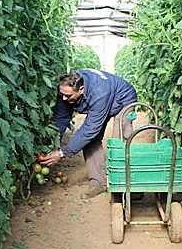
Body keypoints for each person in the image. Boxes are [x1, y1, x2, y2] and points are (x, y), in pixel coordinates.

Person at [38, 69, 137, 198]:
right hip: (101, 100)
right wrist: (52, 144)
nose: (63, 98)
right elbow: (61, 119)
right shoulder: (66, 88)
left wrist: (63, 152)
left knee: (119, 141)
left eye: (68, 96)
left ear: (81, 89)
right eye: (62, 94)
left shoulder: (99, 92)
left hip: (123, 99)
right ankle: (98, 183)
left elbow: (90, 128)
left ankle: (126, 184)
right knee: (90, 141)